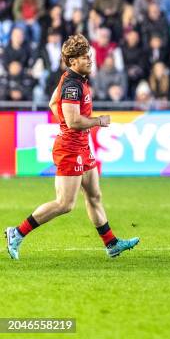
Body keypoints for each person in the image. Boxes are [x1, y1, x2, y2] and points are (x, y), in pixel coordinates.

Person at [5, 34, 139, 260]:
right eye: (85, 57)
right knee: (65, 203)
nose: (90, 60)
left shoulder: (77, 79)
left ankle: (111, 244)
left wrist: (67, 125)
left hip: (81, 146)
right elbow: (75, 121)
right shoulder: (71, 85)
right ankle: (16, 233)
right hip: (70, 149)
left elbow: (51, 104)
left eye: (89, 56)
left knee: (94, 195)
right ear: (73, 61)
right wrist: (98, 121)